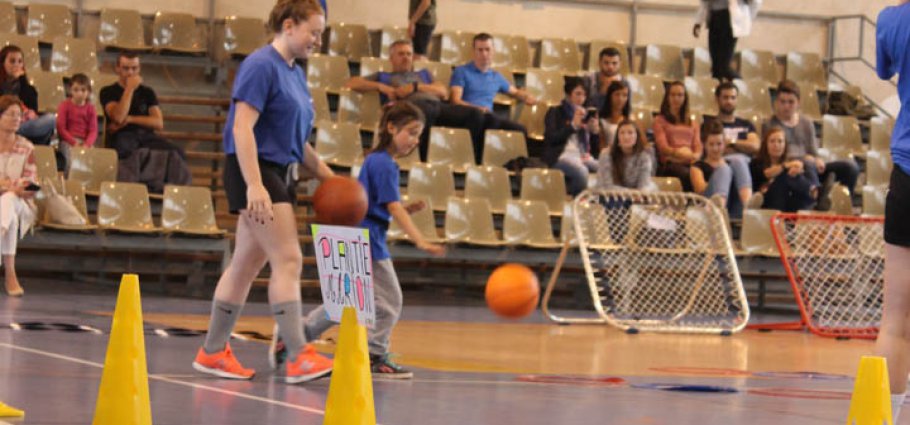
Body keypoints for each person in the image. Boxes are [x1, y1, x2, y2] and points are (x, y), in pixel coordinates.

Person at [193, 0, 335, 385]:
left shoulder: (295, 73)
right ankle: (297, 355)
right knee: (288, 258)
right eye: (314, 32)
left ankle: (212, 351)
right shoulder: (260, 65)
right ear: (289, 25)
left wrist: (330, 178)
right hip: (256, 171)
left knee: (245, 265)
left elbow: (299, 144)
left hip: (278, 171)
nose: (318, 41)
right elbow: (242, 128)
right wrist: (254, 183)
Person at [273, 102, 447, 379]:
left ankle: (295, 334)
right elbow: (392, 207)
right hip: (369, 241)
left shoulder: (374, 160)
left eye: (419, 136)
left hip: (358, 235)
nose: (415, 141)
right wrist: (420, 240)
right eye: (411, 133)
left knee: (345, 302)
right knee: (390, 301)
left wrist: (407, 208)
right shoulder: (384, 164)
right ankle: (374, 354)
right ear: (391, 128)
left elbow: (378, 203)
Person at [345, 39, 484, 162]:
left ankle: (475, 160)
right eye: (401, 54)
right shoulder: (383, 76)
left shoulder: (423, 74)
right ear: (391, 58)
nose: (406, 58)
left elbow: (443, 92)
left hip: (438, 107)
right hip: (410, 110)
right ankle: (424, 159)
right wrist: (381, 87)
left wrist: (415, 87)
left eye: (409, 54)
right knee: (425, 110)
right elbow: (350, 83)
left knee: (475, 114)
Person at [874, 1, 910, 421]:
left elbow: (885, 71)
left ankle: (884, 416)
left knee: (896, 319)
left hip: (908, 174)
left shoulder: (891, 19)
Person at [100, 51, 191, 193]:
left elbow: (158, 122)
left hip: (146, 135)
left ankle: (175, 194)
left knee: (177, 152)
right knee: (129, 151)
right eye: (126, 68)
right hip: (123, 135)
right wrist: (129, 89)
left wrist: (130, 119)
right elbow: (118, 116)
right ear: (117, 69)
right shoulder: (108, 91)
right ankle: (129, 193)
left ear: (139, 69)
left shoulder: (147, 92)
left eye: (134, 68)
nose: (130, 73)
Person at [762, 80, 859, 207]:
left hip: (810, 167)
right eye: (782, 102)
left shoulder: (806, 123)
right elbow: (773, 155)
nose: (786, 106)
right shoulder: (770, 124)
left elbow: (813, 152)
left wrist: (817, 159)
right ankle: (818, 196)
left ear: (798, 103)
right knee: (806, 161)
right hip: (789, 168)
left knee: (850, 167)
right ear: (776, 103)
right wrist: (802, 159)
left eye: (791, 102)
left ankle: (844, 205)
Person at [450, 33, 536, 139]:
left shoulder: (496, 76)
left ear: (493, 51)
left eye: (487, 49)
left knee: (520, 130)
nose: (484, 54)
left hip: (488, 117)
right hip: (469, 115)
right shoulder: (461, 71)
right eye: (480, 50)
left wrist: (526, 97)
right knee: (484, 119)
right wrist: (477, 108)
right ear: (474, 51)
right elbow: (455, 101)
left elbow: (515, 92)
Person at [0, 95, 37, 297]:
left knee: (9, 201)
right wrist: (11, 187)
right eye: (11, 114)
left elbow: (31, 185)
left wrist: (10, 188)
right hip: (8, 208)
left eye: (19, 115)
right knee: (8, 211)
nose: (16, 119)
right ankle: (10, 275)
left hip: (23, 204)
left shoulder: (27, 147)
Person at [702, 81, 757, 217]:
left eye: (733, 98)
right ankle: (747, 203)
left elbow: (755, 146)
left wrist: (731, 142)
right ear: (717, 99)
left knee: (738, 160)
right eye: (725, 97)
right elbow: (711, 148)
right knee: (734, 161)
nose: (729, 101)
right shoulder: (710, 124)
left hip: (743, 164)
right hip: (722, 163)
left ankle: (746, 205)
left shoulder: (746, 124)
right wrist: (741, 146)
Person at [543, 77, 600, 196]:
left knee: (608, 168)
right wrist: (572, 126)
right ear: (568, 95)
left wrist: (594, 132)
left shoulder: (585, 114)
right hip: (561, 156)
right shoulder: (555, 112)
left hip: (583, 156)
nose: (581, 98)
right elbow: (552, 138)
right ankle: (576, 203)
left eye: (584, 95)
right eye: (577, 94)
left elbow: (593, 150)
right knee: (582, 171)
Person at [748, 127, 815, 212]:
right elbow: (766, 173)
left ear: (785, 145)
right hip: (766, 201)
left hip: (785, 202)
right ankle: (813, 191)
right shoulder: (756, 162)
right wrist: (786, 166)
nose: (776, 145)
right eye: (772, 141)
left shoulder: (789, 164)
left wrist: (796, 170)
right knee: (784, 176)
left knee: (797, 181)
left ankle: (812, 192)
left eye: (780, 141)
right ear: (765, 145)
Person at [693, 0, 762, 81]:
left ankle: (743, 86)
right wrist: (698, 22)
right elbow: (704, 3)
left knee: (724, 67)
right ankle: (718, 91)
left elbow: (756, 2)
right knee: (716, 68)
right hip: (714, 18)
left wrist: (746, 18)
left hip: (730, 19)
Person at [0, 46, 55, 146]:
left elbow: (32, 110)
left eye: (20, 61)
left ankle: (16, 138)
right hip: (4, 124)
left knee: (50, 119)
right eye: (12, 61)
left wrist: (22, 80)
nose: (17, 65)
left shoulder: (29, 89)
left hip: (22, 124)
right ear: (2, 63)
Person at [653, 81, 701, 192]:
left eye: (680, 95)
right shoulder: (659, 121)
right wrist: (680, 153)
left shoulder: (693, 123)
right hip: (671, 163)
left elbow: (698, 147)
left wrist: (693, 156)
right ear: (667, 97)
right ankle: (690, 205)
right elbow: (663, 148)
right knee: (688, 175)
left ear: (685, 98)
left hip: (691, 161)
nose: (676, 98)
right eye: (673, 95)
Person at [597, 119, 653, 190]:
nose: (626, 137)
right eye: (622, 133)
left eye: (630, 133)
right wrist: (631, 194)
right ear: (617, 137)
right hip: (611, 195)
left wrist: (637, 195)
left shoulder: (644, 157)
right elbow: (607, 185)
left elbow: (644, 185)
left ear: (637, 136)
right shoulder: (606, 155)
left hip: (637, 197)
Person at [56, 73, 98, 167]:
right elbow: (61, 128)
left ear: (88, 92)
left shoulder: (91, 108)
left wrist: (86, 144)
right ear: (70, 90)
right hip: (68, 141)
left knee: (92, 160)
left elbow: (93, 130)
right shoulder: (64, 105)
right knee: (68, 159)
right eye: (76, 90)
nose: (79, 93)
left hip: (85, 141)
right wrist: (74, 143)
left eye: (83, 90)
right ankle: (68, 180)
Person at [690, 120, 735, 203]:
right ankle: (719, 204)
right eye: (711, 144)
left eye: (719, 144)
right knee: (723, 170)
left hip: (730, 206)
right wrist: (720, 181)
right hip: (707, 204)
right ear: (704, 145)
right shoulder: (697, 166)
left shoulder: (731, 164)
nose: (715, 149)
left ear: (724, 144)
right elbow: (700, 190)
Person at [585, 47, 625, 111]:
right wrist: (602, 93)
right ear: (599, 62)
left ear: (620, 64)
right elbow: (584, 107)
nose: (610, 67)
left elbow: (626, 109)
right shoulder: (588, 80)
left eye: (614, 63)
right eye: (606, 63)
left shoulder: (624, 83)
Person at [598, 80, 631, 151]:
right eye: (617, 94)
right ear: (610, 96)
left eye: (624, 95)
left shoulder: (631, 119)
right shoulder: (602, 121)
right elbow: (602, 148)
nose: (620, 99)